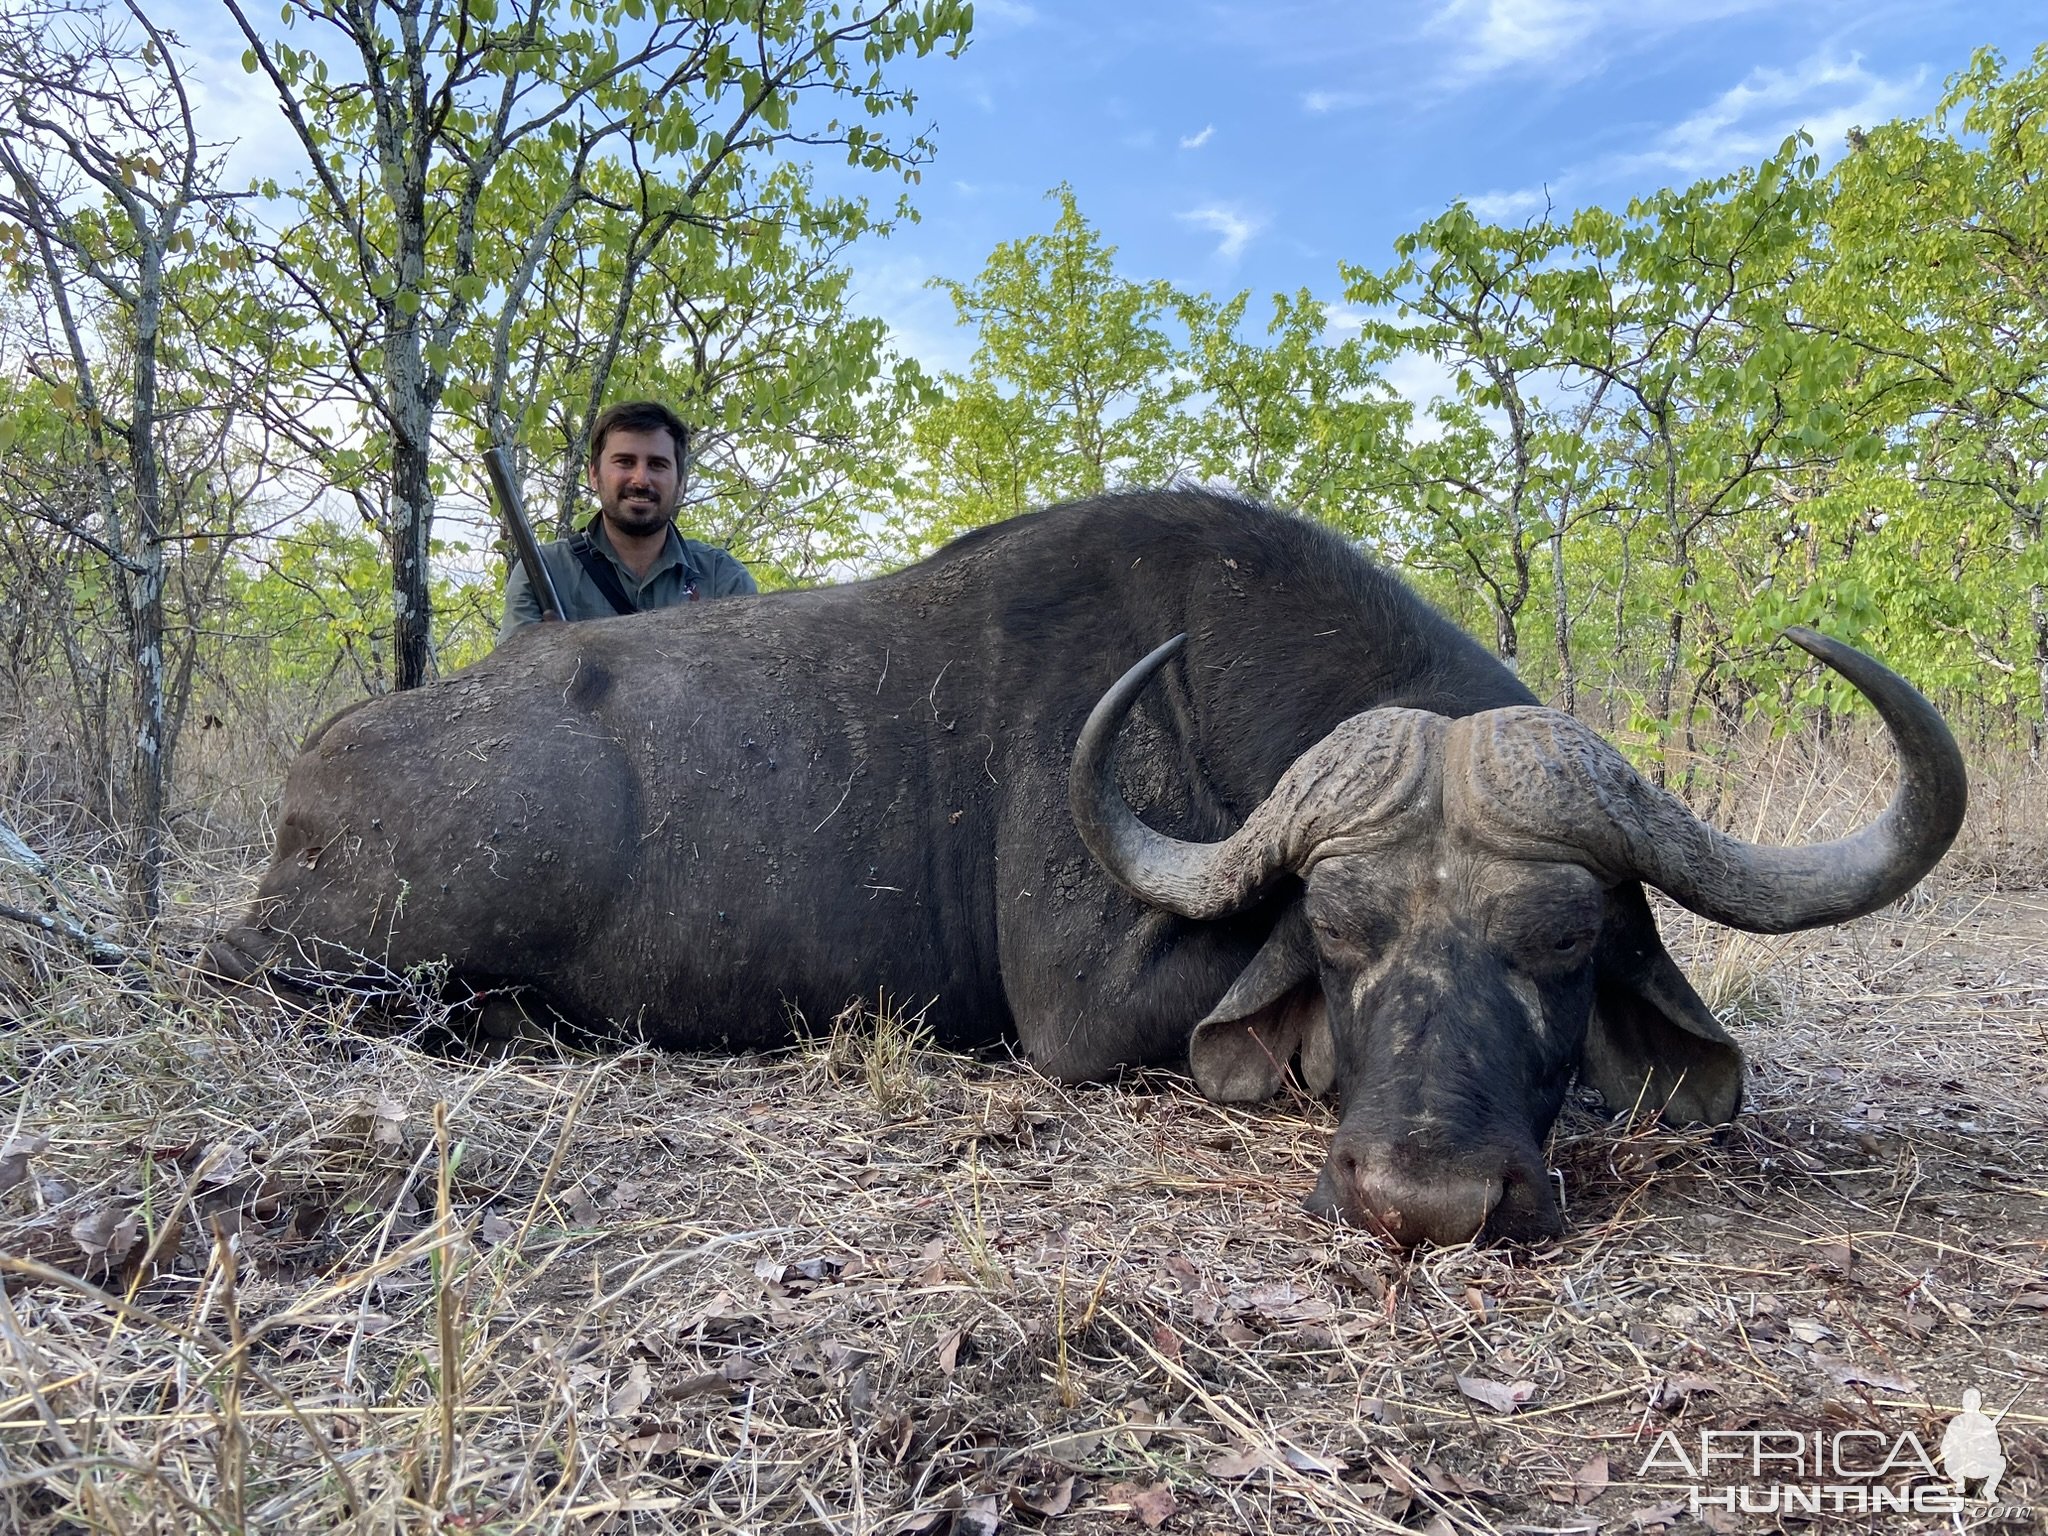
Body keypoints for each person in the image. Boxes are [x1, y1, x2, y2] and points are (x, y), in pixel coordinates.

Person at [499, 399, 756, 638]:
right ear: (594, 475)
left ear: (681, 484)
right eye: (624, 462)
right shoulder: (542, 572)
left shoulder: (723, 579)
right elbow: (513, 682)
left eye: (657, 464)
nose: (641, 480)